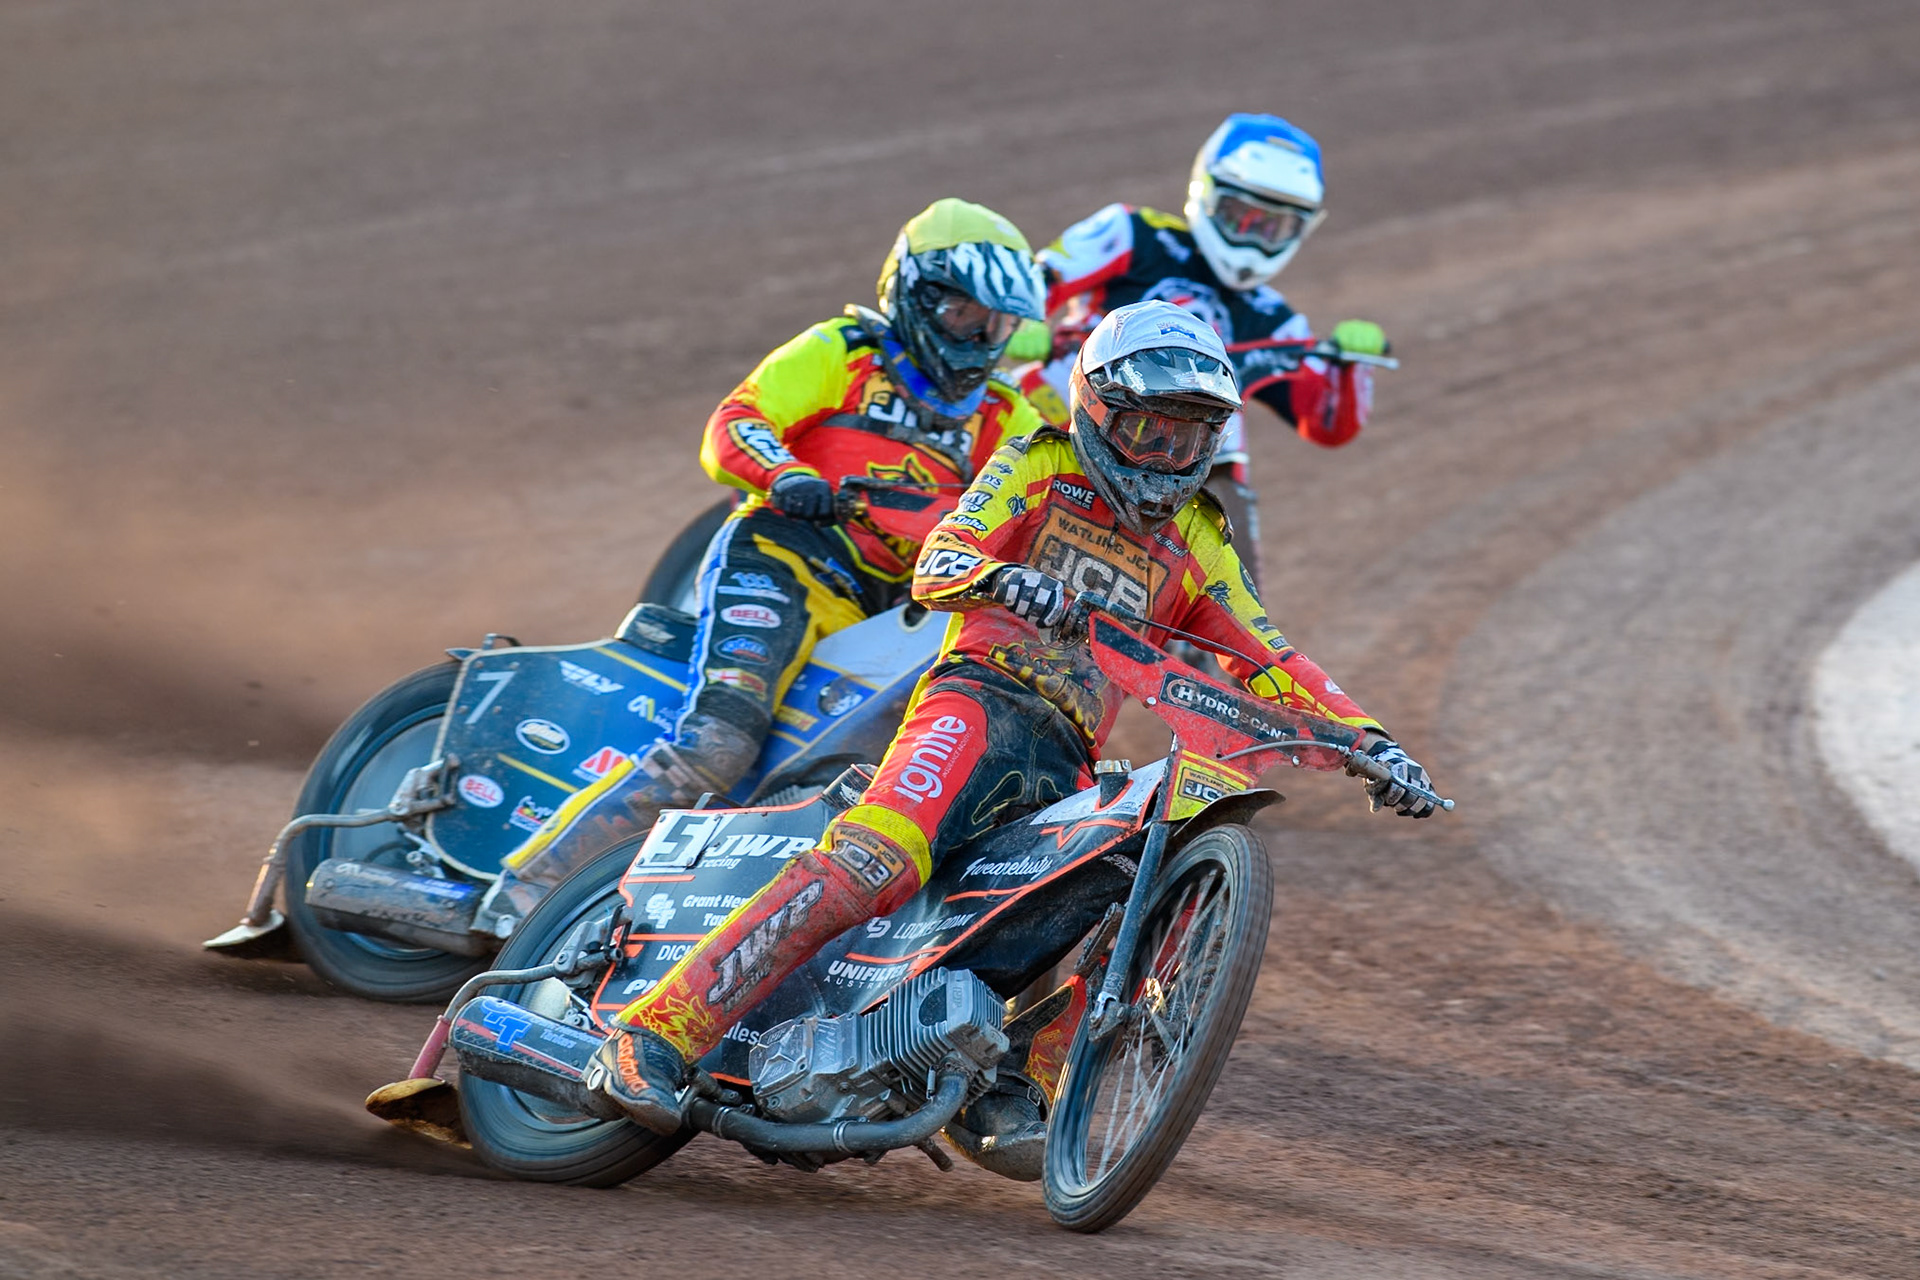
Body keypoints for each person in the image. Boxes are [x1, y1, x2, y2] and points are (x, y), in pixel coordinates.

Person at [589, 300, 1437, 1148]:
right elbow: (942, 558)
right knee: (874, 860)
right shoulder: (1039, 464)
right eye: (1150, 431)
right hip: (976, 701)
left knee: (1106, 895)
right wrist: (1005, 581)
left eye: (1189, 438)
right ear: (1099, 410)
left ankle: (1014, 1083)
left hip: (1064, 755)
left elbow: (1275, 661)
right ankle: (656, 1033)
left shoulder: (1199, 539)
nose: (1168, 457)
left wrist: (1374, 742)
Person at [468, 198, 1049, 937]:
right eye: (968, 315)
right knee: (719, 742)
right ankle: (522, 895)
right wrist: (786, 476)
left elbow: (1051, 508)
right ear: (919, 295)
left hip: (897, 613)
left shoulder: (1007, 415)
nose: (981, 338)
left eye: (996, 324)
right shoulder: (842, 351)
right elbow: (736, 422)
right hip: (785, 562)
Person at [1011, 113, 1388, 584]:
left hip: (1184, 443)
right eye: (1240, 217)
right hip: (1072, 398)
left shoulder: (1274, 318)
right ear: (1206, 193)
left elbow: (1327, 423)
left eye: (1273, 228)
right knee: (993, 414)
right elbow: (1035, 279)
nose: (1252, 239)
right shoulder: (1134, 233)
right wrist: (1025, 322)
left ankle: (1227, 620)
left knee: (1230, 427)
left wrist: (1350, 368)